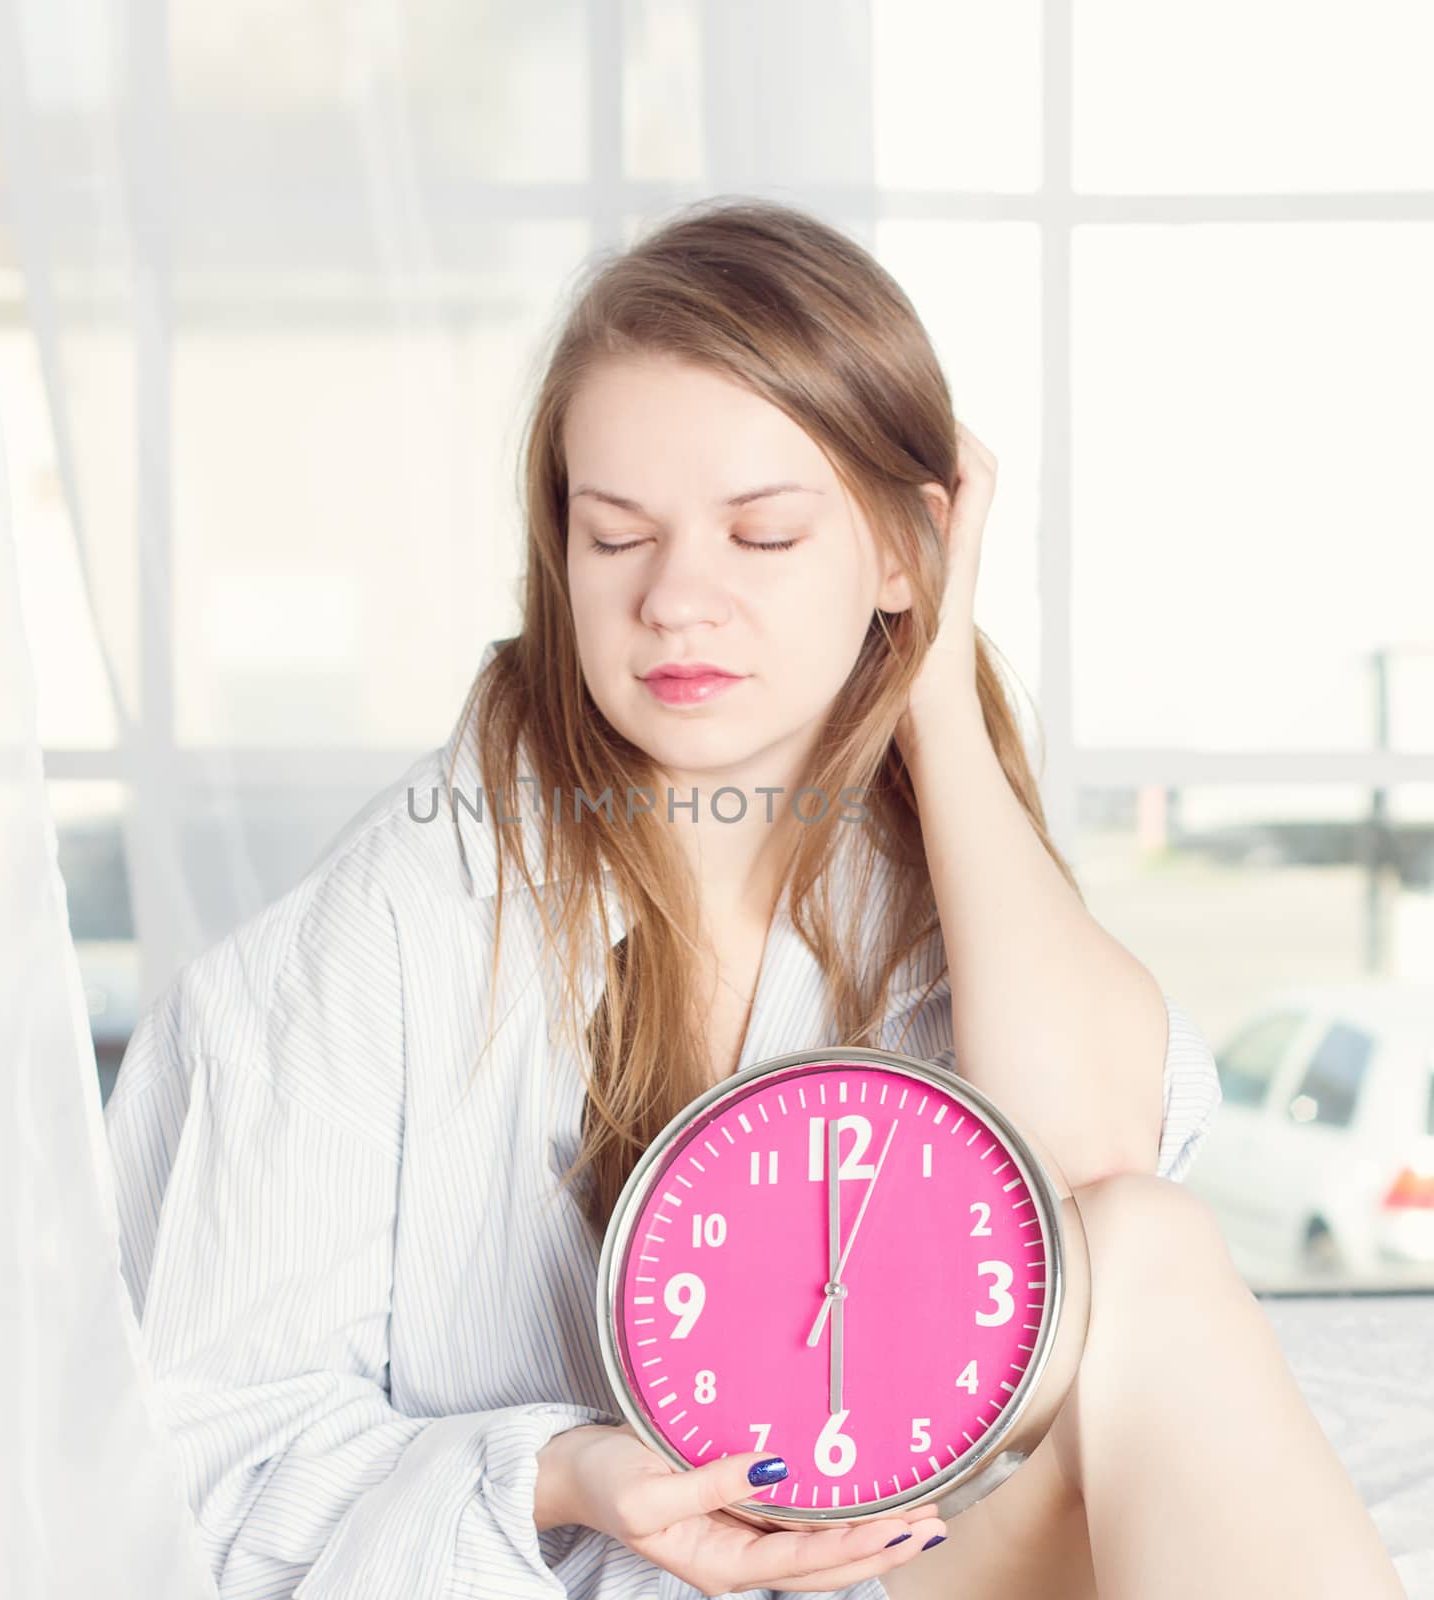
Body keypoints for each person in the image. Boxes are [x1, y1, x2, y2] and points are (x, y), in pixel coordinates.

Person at [103, 199, 1404, 1600]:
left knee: (1145, 1249)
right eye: (616, 540)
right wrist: (567, 1470)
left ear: (903, 555)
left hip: (881, 1571)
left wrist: (939, 698)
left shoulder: (935, 891)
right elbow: (203, 1480)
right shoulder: (388, 927)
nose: (676, 600)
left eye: (763, 536)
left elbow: (1098, 1166)